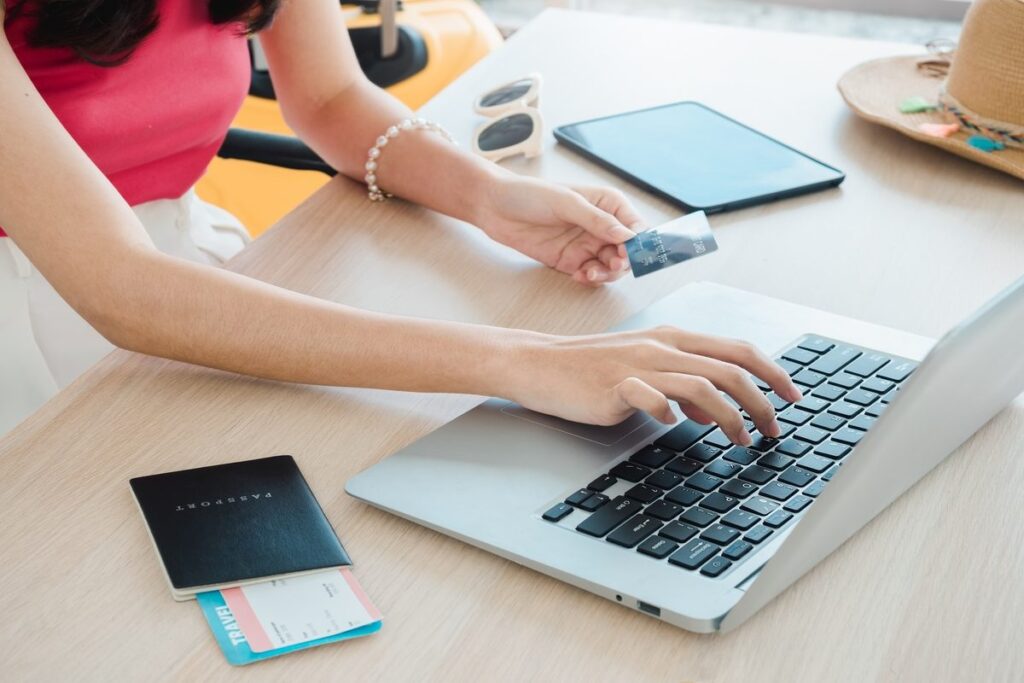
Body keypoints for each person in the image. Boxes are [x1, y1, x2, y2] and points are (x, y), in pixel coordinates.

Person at [0, 0, 801, 438]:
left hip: (180, 270)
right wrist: (524, 361)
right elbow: (120, 288)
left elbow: (329, 97)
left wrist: (489, 196)